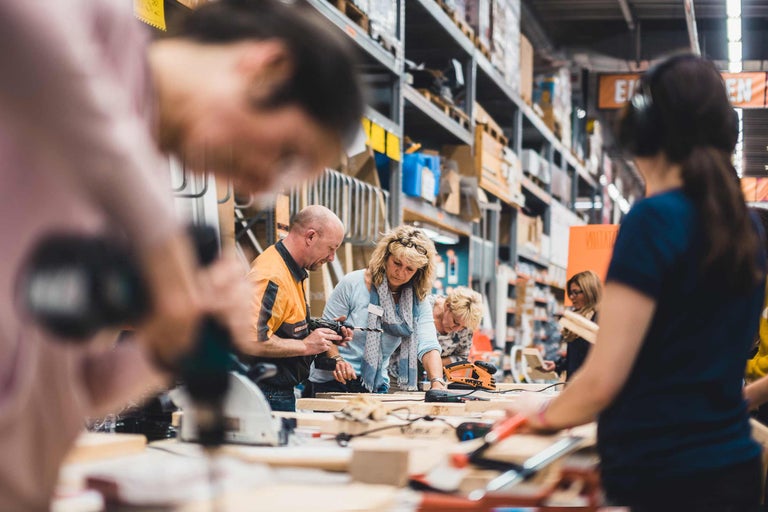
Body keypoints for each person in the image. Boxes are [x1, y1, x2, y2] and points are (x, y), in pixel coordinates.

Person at [0, 0, 363, 509]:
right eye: (284, 154)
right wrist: (158, 238)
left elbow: (71, 390)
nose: (260, 187)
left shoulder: (141, 179)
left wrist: (166, 344)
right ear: (266, 67)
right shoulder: (98, 31)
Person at [507, 54, 766, 511]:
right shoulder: (752, 228)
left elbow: (604, 380)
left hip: (660, 476)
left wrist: (540, 415)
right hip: (732, 470)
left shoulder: (654, 220)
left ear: (644, 131)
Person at [237, 205, 351, 411]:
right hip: (265, 395)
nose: (332, 257)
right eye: (331, 248)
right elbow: (250, 340)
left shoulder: (292, 268)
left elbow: (283, 321)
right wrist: (307, 346)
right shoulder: (271, 276)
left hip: (276, 392)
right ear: (310, 237)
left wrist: (322, 330)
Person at [308, 226, 446, 393]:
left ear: (419, 272)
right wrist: (337, 359)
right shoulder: (353, 283)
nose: (400, 273)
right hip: (332, 380)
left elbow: (428, 344)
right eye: (397, 263)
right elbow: (326, 330)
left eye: (409, 269)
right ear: (386, 256)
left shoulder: (417, 301)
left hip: (375, 384)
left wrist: (437, 383)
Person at [541, 270, 601, 380]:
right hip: (574, 385)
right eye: (570, 293)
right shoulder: (576, 318)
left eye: (575, 292)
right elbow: (575, 356)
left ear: (589, 291)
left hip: (590, 385)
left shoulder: (600, 318)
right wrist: (558, 365)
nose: (572, 297)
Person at [431, 287, 484, 365]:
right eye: (455, 322)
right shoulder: (425, 306)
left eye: (463, 327)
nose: (457, 329)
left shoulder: (467, 327)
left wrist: (434, 364)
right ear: (447, 306)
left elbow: (461, 357)